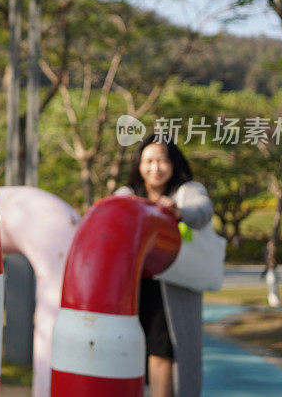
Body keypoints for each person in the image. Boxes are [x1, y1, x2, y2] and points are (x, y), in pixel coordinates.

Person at [115, 133, 214, 397]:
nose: (155, 168)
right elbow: (111, 213)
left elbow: (203, 211)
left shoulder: (186, 192)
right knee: (132, 349)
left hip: (172, 287)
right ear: (138, 164)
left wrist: (179, 212)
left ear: (174, 163)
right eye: (148, 161)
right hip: (134, 287)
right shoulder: (128, 194)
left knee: (162, 352)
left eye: (162, 160)